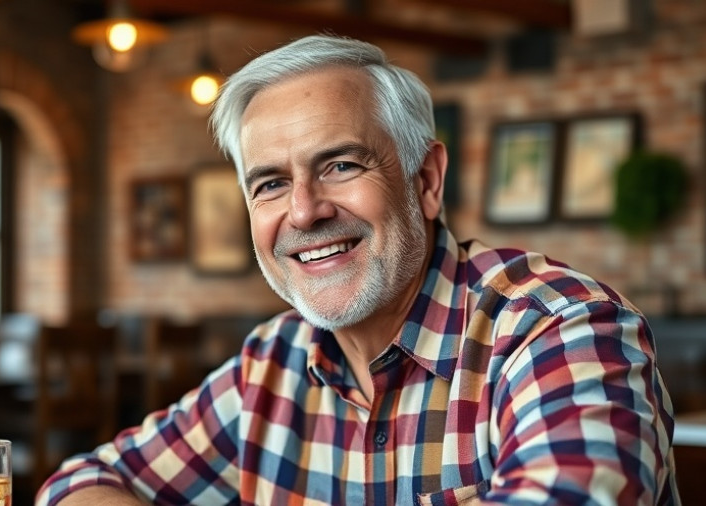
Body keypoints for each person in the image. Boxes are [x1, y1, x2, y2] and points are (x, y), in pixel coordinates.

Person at [36, 35, 679, 505]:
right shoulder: (272, 362)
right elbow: (79, 484)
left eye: (341, 165)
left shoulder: (560, 328)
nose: (305, 211)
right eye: (269, 185)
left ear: (425, 181)